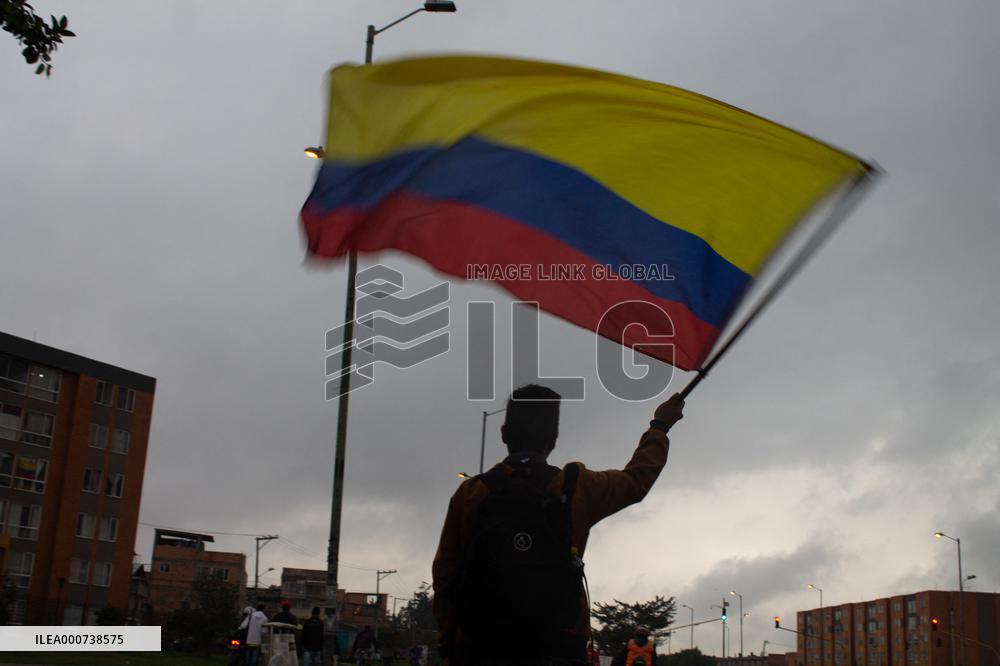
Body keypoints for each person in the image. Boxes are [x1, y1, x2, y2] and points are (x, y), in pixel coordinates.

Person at [432, 384, 684, 665]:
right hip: (559, 645)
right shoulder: (575, 486)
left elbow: (445, 575)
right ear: (553, 438)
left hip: (481, 646)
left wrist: (450, 644)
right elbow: (636, 481)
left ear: (504, 434)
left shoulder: (470, 494)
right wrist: (660, 425)